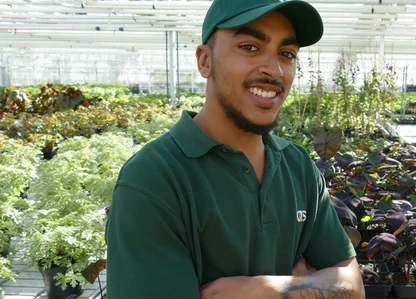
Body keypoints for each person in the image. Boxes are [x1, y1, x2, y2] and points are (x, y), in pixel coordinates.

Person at [104, 0, 365, 298]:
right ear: (205, 61)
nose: (275, 69)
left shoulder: (297, 165)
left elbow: (353, 287)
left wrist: (265, 290)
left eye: (286, 54)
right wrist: (313, 287)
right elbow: (338, 286)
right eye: (250, 47)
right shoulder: (154, 178)